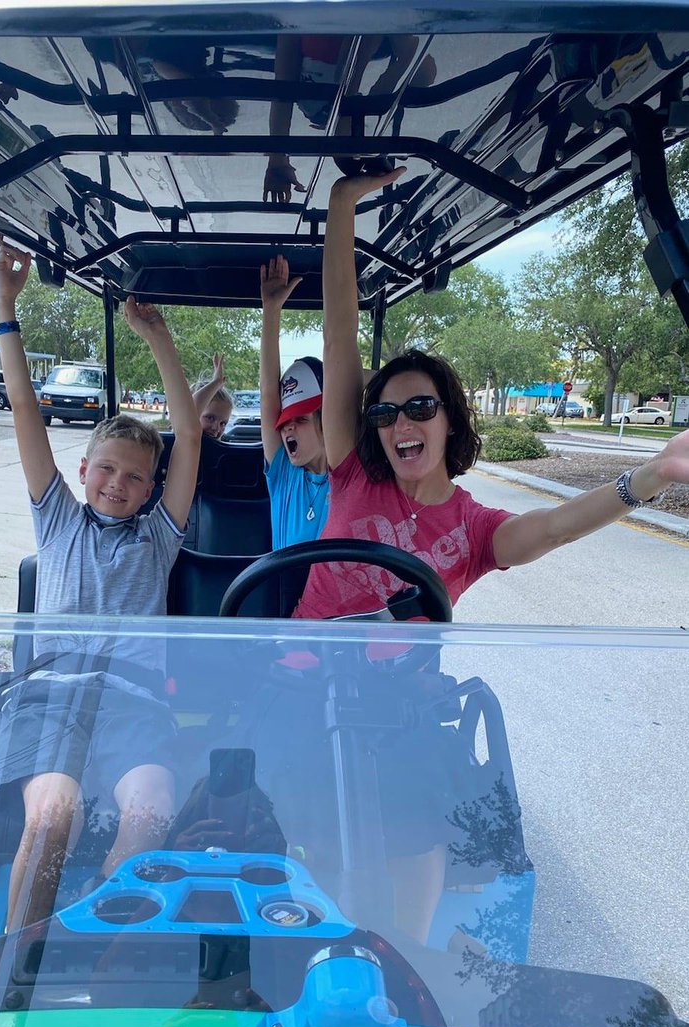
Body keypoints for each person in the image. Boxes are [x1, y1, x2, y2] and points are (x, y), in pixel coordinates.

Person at [295, 169, 689, 941]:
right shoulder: (351, 467)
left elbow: (548, 529)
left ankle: (402, 958)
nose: (400, 420)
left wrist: (647, 477)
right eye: (386, 410)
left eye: (419, 407)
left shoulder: (472, 529)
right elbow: (341, 333)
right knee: (308, 810)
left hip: (400, 706)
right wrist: (341, 213)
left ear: (447, 423)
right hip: (305, 679)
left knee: (419, 815)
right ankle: (330, 952)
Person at [0, 233, 202, 932]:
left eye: (136, 476)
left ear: (151, 489)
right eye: (106, 469)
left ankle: (105, 958)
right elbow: (26, 409)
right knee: (53, 818)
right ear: (83, 471)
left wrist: (158, 336)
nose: (119, 484)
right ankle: (14, 965)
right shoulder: (57, 520)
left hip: (134, 703)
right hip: (52, 695)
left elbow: (190, 435)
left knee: (149, 814)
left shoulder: (156, 538)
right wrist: (5, 304)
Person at [259, 256, 330, 549]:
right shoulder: (284, 473)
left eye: (301, 420)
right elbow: (267, 395)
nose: (287, 430)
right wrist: (271, 311)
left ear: (327, 421)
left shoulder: (352, 478)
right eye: (285, 421)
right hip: (284, 593)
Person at [192, 353, 233, 439]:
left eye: (223, 424)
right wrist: (216, 383)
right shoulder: (182, 441)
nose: (216, 428)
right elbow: (187, 413)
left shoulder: (217, 448)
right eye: (210, 418)